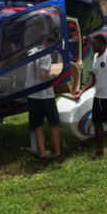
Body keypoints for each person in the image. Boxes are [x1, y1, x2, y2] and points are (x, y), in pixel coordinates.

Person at [74, 35, 107, 157]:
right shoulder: (95, 57)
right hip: (99, 98)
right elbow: (93, 79)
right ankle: (99, 150)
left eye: (95, 44)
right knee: (97, 124)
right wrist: (81, 91)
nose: (93, 46)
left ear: (103, 44)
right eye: (93, 44)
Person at [26, 35, 62, 165]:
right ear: (49, 43)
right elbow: (43, 75)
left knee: (38, 127)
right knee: (54, 125)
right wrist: (54, 76)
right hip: (45, 95)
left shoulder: (31, 52)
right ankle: (58, 154)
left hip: (32, 95)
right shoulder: (46, 55)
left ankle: (42, 156)